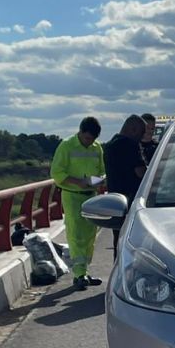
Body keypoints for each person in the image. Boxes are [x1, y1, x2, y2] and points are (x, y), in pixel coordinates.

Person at [50, 116, 105, 291]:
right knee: (76, 234)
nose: (90, 142)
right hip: (72, 195)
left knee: (90, 234)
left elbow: (103, 171)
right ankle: (78, 274)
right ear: (80, 132)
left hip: (91, 194)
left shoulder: (97, 148)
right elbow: (57, 172)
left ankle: (84, 271)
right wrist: (77, 181)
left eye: (93, 139)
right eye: (88, 138)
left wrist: (98, 181)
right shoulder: (66, 146)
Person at [102, 115, 149, 258]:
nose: (141, 138)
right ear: (133, 129)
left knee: (119, 240)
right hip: (133, 201)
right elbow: (141, 173)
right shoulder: (129, 145)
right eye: (141, 133)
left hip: (116, 201)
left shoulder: (110, 145)